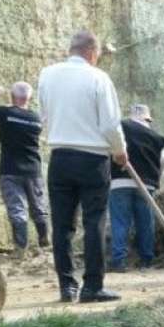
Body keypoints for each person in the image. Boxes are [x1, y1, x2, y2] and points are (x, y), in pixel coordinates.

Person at [38, 30, 127, 303]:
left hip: (60, 156)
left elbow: (44, 114)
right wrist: (120, 150)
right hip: (93, 159)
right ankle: (92, 287)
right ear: (92, 52)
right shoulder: (98, 77)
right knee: (94, 223)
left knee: (62, 225)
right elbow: (110, 124)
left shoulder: (47, 75)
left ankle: (66, 286)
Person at [0, 81, 51, 254]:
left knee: (17, 208)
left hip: (10, 169)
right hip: (33, 170)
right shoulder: (36, 119)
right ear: (29, 98)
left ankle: (21, 247)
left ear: (12, 97)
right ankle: (44, 239)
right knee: (38, 206)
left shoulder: (5, 113)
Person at [109, 103, 164, 272]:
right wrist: (155, 182)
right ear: (147, 119)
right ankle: (146, 261)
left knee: (120, 222)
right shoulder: (158, 138)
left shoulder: (119, 127)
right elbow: (163, 164)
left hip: (119, 181)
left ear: (131, 116)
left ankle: (119, 261)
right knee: (145, 223)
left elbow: (109, 150)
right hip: (146, 185)